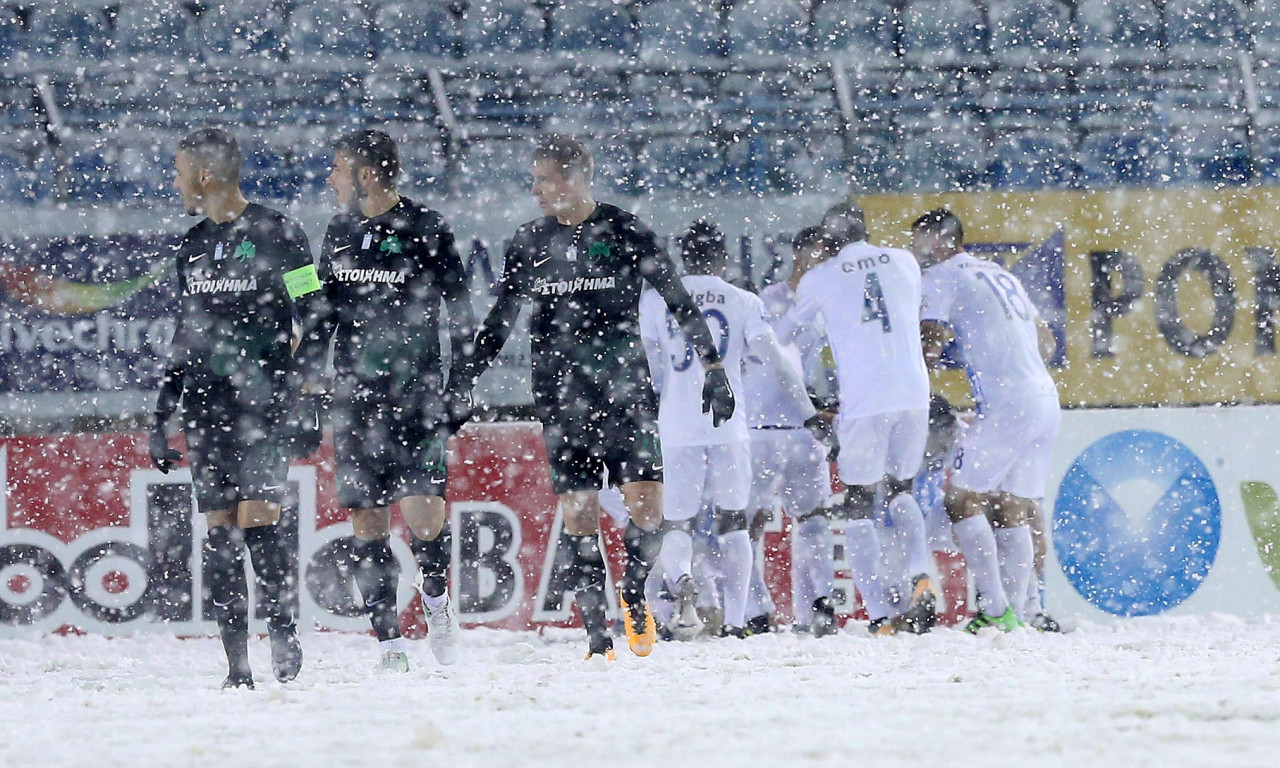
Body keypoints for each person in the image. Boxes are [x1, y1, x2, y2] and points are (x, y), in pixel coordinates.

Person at [457, 135, 735, 660]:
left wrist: (713, 367)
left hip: (625, 391)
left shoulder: (626, 229)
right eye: (534, 181)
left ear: (575, 178)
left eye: (543, 180)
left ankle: (633, 591)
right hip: (561, 396)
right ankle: (596, 636)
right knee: (579, 514)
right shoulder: (529, 240)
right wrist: (462, 379)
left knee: (648, 509)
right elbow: (500, 320)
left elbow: (678, 299)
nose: (535, 190)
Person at [149, 128, 324, 689]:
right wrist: (162, 414)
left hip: (265, 404)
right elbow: (185, 334)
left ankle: (283, 630)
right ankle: (237, 667)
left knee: (260, 523)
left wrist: (306, 397)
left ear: (205, 176)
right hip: (206, 408)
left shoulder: (280, 231)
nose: (175, 182)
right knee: (221, 534)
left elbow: (315, 315)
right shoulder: (192, 245)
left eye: (179, 172)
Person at [299, 129, 475, 672]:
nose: (330, 178)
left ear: (367, 175)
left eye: (337, 168)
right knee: (368, 524)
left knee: (425, 519)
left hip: (416, 397)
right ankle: (389, 645)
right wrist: (307, 384)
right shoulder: (339, 230)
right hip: (356, 399)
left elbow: (460, 310)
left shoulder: (426, 227)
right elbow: (321, 314)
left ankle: (437, 601)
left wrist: (461, 383)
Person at [640, 220, 814, 639]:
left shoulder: (656, 301)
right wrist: (808, 412)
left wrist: (656, 408)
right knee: (734, 522)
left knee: (677, 523)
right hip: (727, 421)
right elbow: (776, 362)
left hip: (678, 424)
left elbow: (650, 368)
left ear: (683, 257)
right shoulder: (742, 300)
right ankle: (735, 621)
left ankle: (682, 577)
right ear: (723, 258)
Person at [779, 203, 934, 636]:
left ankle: (881, 615)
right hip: (913, 392)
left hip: (866, 399)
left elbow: (784, 336)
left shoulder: (820, 277)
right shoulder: (904, 260)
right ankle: (919, 573)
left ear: (827, 240)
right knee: (902, 488)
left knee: (858, 502)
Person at [911, 209, 1062, 633]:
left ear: (940, 240)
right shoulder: (1000, 273)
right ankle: (1017, 614)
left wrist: (915, 389)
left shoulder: (941, 276)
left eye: (919, 239)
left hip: (1008, 404)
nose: (914, 249)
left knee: (960, 499)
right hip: (1043, 398)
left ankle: (995, 609)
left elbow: (929, 344)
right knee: (1012, 507)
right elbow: (1047, 342)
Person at [742, 226, 839, 636]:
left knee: (813, 517)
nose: (825, 264)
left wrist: (828, 402)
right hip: (761, 426)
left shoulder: (829, 305)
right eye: (820, 255)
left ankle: (818, 606)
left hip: (802, 428)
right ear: (799, 255)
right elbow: (772, 361)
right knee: (749, 523)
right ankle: (755, 609)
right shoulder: (766, 301)